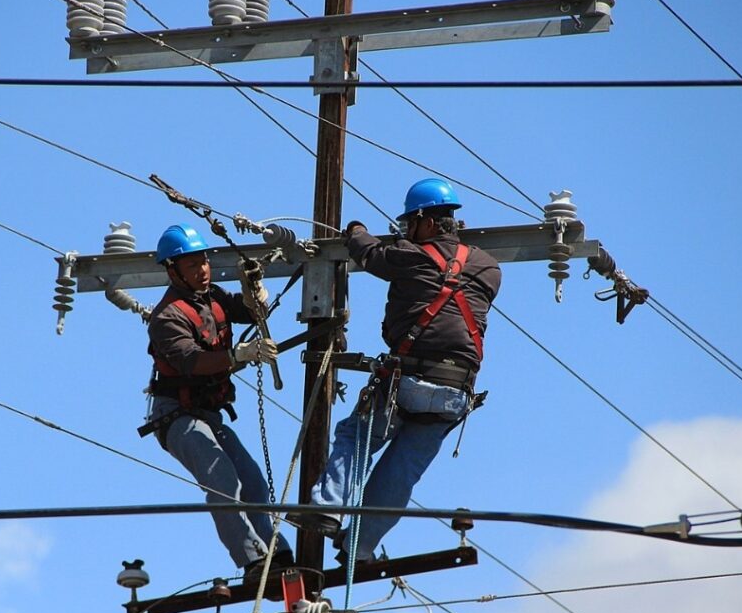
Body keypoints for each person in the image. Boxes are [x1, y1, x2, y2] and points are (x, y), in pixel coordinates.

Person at [289, 178, 502, 564]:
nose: (407, 233)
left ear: (426, 222)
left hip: (408, 379)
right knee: (401, 471)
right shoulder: (489, 268)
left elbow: (368, 253)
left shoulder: (410, 255)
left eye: (410, 225)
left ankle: (327, 507)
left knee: (357, 438)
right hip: (456, 392)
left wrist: (354, 229)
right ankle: (360, 546)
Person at [142, 223, 293, 581]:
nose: (202, 269)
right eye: (192, 264)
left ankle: (277, 552)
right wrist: (241, 355)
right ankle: (253, 560)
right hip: (176, 417)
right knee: (222, 478)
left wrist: (254, 291)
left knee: (253, 482)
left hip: (209, 415)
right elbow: (192, 362)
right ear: (172, 269)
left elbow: (250, 312)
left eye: (204, 261)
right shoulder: (167, 317)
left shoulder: (212, 298)